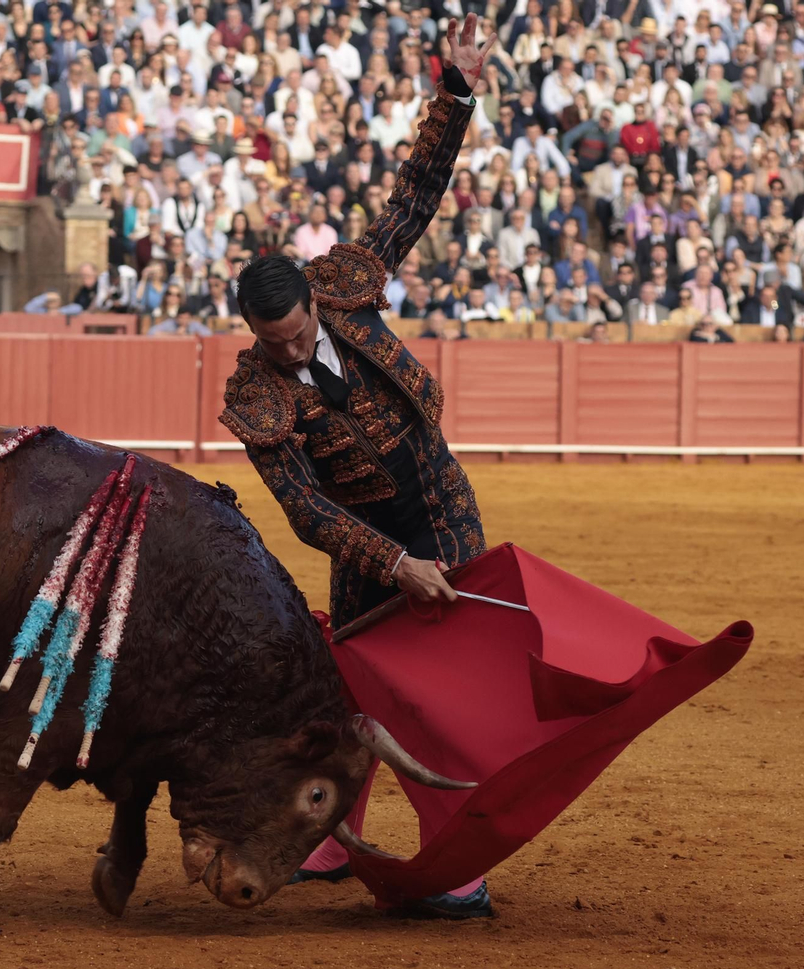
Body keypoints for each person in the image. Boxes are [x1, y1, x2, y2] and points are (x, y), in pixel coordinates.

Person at [218, 16, 495, 921]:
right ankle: (335, 836)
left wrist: (453, 92)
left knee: (438, 693)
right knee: (358, 692)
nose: (294, 352)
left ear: (312, 301)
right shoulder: (258, 393)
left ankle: (458, 858)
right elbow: (305, 510)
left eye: (300, 334)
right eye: (277, 344)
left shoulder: (345, 282)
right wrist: (391, 564)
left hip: (442, 510)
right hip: (370, 541)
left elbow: (415, 194)